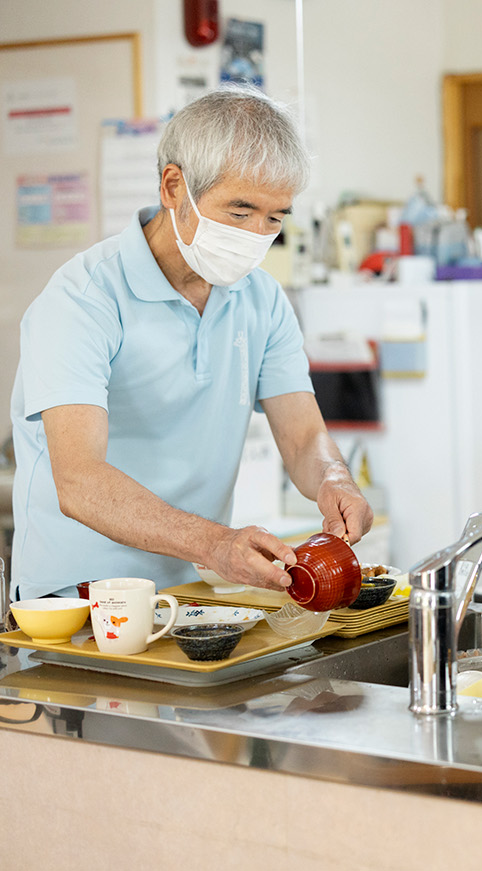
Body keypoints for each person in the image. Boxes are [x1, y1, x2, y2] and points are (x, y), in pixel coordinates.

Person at [8, 85, 372, 600]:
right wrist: (216, 544)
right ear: (174, 186)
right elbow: (80, 481)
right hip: (74, 598)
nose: (255, 235)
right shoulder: (83, 298)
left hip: (189, 591)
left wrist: (335, 479)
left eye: (275, 219)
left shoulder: (262, 299)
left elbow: (302, 436)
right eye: (240, 213)